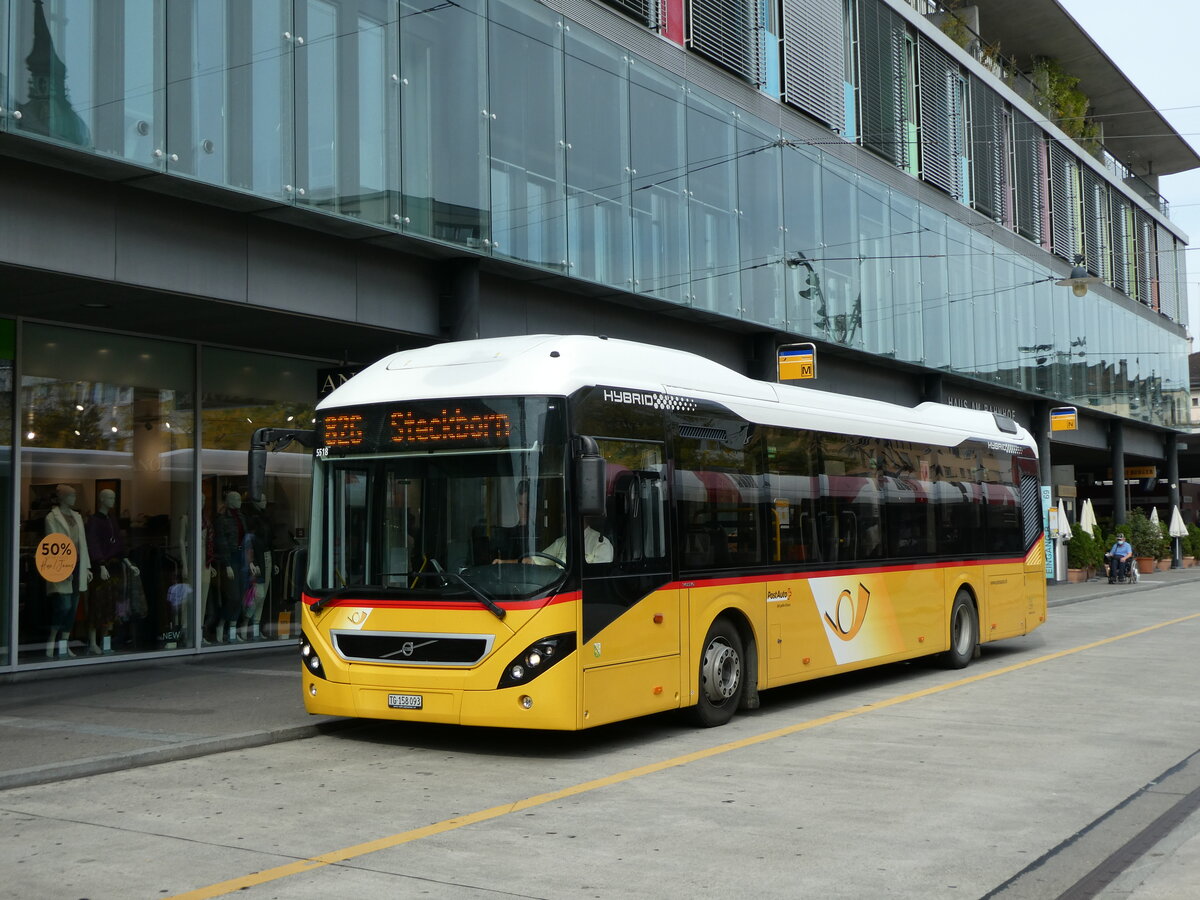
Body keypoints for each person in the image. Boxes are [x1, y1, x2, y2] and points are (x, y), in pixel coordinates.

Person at [43, 484, 93, 659]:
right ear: (62, 497)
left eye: (74, 495)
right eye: (71, 495)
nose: (74, 498)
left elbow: (83, 543)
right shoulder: (51, 518)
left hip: (78, 564)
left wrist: (86, 567)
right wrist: (63, 567)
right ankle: (51, 639)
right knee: (63, 605)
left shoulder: (77, 517)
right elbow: (53, 543)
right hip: (61, 565)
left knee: (73, 606)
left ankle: (63, 644)